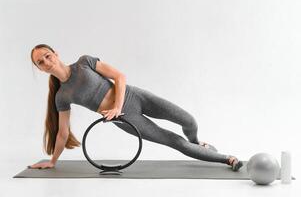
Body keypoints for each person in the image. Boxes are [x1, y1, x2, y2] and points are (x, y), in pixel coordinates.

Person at [28, 44, 243, 171]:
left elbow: (119, 77)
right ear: (40, 69)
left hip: (135, 97)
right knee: (174, 142)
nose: (47, 61)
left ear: (55, 53)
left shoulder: (84, 62)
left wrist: (116, 106)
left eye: (47, 55)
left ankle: (197, 143)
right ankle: (228, 159)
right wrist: (53, 161)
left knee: (188, 120)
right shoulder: (61, 96)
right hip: (127, 120)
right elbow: (63, 132)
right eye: (41, 62)